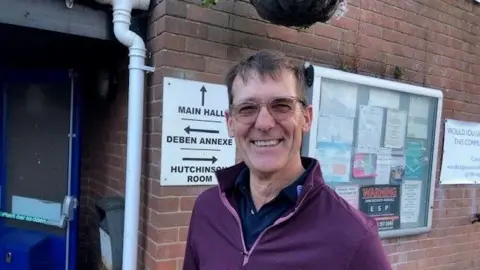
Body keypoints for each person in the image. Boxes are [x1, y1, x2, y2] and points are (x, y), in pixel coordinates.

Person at [182, 50, 392, 270]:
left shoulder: (353, 236)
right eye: (247, 108)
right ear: (230, 123)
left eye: (281, 105)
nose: (264, 123)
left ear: (306, 118)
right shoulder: (208, 209)